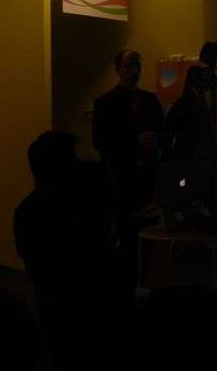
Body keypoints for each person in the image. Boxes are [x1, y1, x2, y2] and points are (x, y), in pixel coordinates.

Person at [14, 132, 133, 371]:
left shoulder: (27, 211)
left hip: (56, 311)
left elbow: (32, 264)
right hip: (100, 305)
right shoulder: (90, 199)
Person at [92, 49, 164, 254]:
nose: (134, 70)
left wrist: (157, 142)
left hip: (150, 174)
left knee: (152, 227)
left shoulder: (150, 100)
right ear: (117, 69)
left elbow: (164, 131)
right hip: (122, 176)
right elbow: (100, 141)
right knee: (128, 231)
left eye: (138, 65)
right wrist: (135, 143)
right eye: (129, 65)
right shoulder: (105, 103)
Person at [162, 63, 216, 162]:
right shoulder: (186, 103)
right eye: (205, 79)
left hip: (193, 156)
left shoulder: (196, 100)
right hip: (190, 157)